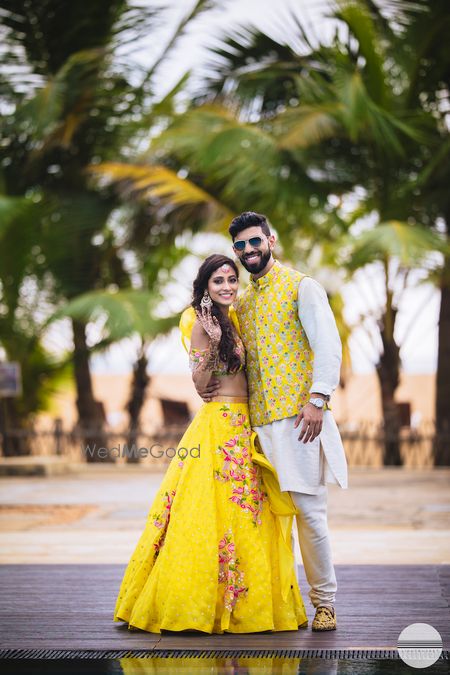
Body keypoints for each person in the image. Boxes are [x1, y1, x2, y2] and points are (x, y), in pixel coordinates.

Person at [113, 254, 309, 634]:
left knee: (249, 512)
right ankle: (201, 606)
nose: (227, 287)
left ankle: (248, 605)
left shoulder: (232, 319)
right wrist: (213, 345)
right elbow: (201, 384)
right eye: (218, 281)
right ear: (205, 286)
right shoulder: (204, 323)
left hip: (243, 425)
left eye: (232, 280)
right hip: (219, 425)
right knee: (209, 512)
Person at [196, 213, 349, 632]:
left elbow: (328, 346)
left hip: (300, 421)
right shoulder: (241, 303)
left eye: (254, 242)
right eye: (241, 246)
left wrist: (317, 400)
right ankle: (262, 604)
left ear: (271, 241)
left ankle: (324, 602)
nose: (248, 251)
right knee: (255, 519)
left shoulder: (302, 286)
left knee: (308, 512)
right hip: (253, 428)